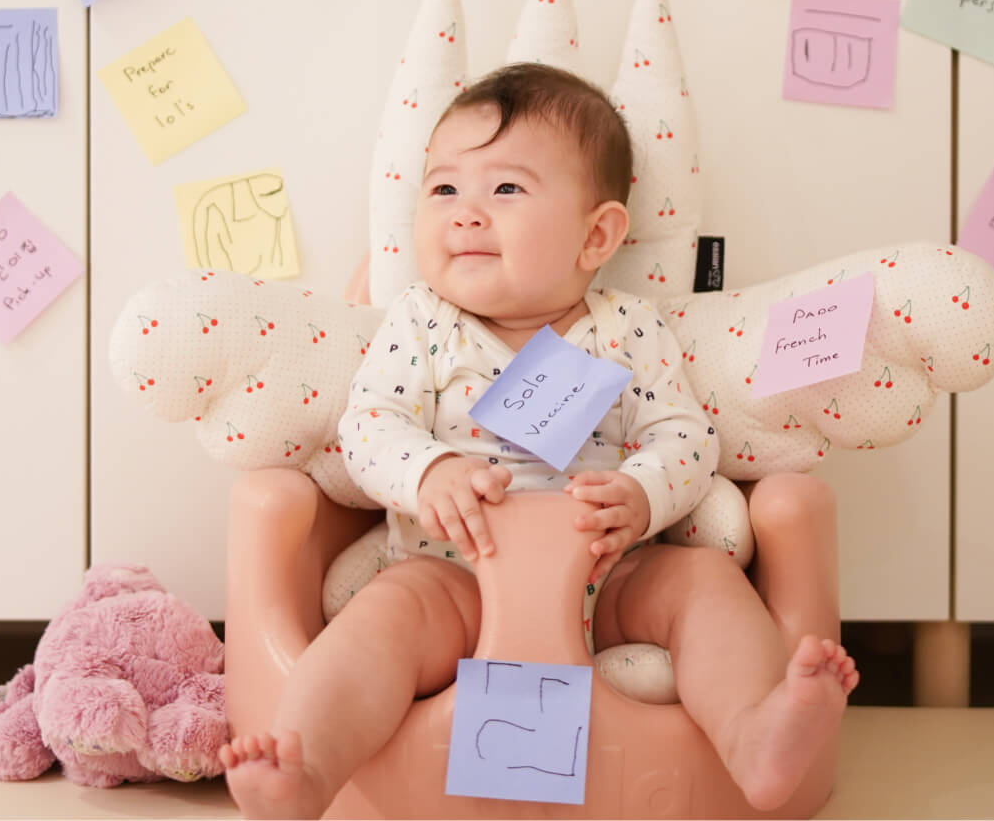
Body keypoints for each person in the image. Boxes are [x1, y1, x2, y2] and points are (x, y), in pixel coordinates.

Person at [218, 63, 858, 818]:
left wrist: (642, 493)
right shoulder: (423, 324)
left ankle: (757, 736)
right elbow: (369, 427)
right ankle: (307, 764)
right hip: (453, 576)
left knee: (705, 587)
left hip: (612, 572)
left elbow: (685, 436)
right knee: (381, 621)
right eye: (444, 188)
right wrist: (428, 472)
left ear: (597, 235)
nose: (465, 213)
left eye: (507, 190)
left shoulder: (628, 329)